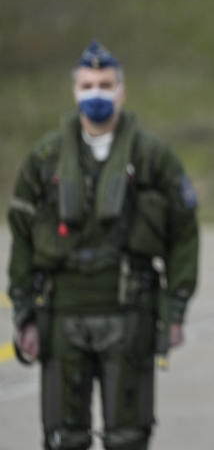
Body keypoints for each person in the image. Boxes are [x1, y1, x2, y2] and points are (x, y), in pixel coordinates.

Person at [7, 41, 199, 450]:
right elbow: (21, 238)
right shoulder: (44, 159)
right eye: (89, 84)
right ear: (75, 91)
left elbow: (184, 234)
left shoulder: (153, 158)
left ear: (121, 91)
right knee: (63, 436)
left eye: (106, 84)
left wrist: (176, 308)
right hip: (61, 317)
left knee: (129, 436)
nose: (97, 92)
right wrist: (24, 312)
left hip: (129, 316)